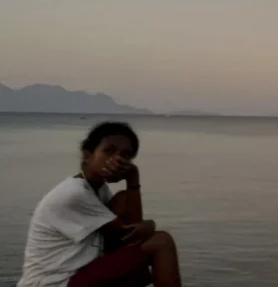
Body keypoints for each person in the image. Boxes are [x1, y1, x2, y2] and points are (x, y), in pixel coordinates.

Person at [18, 122, 182, 287]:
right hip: (55, 282)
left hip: (77, 274)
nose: (117, 159)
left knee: (124, 199)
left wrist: (132, 180)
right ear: (88, 155)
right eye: (109, 151)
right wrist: (151, 225)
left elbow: (131, 237)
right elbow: (131, 232)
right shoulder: (74, 192)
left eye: (126, 155)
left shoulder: (99, 189)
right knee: (162, 241)